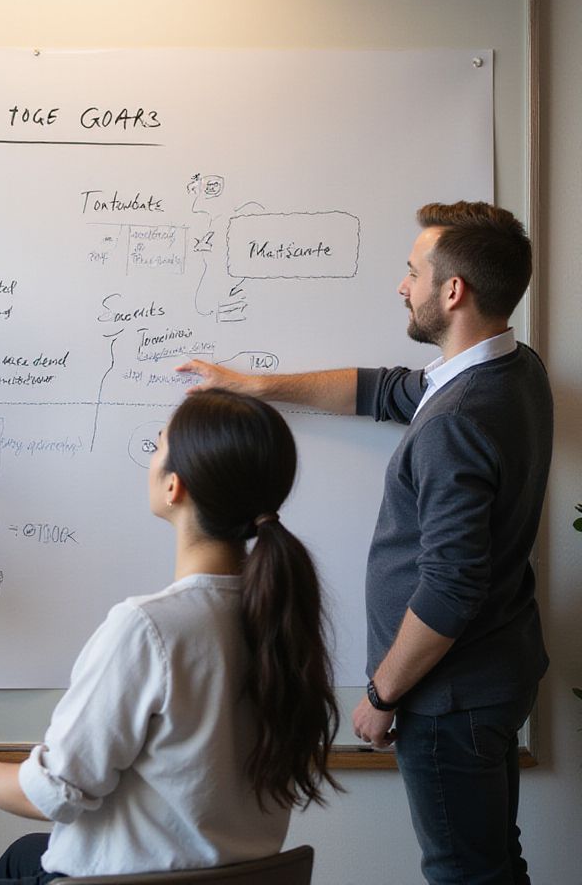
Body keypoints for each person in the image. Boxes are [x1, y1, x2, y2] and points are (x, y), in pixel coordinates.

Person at [179, 201, 551, 885]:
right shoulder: (513, 370)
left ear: (453, 291)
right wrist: (253, 386)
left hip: (447, 699)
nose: (401, 286)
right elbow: (384, 391)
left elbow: (450, 588)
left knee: (464, 874)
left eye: (412, 272)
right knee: (495, 865)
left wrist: (381, 697)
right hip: (496, 673)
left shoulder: (456, 419)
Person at [0, 389, 339, 885]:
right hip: (226, 873)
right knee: (23, 856)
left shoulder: (150, 627)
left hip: (135, 879)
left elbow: (53, 795)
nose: (151, 458)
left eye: (157, 445)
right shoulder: (278, 617)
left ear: (174, 487)